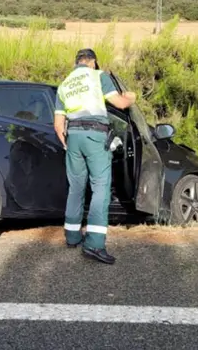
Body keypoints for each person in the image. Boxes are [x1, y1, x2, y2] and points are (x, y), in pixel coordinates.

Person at [53, 48, 137, 264]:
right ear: (93, 62)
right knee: (100, 187)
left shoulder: (65, 84)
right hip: (95, 136)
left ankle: (72, 237)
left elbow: (58, 124)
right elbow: (119, 104)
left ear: (77, 62)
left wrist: (67, 142)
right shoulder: (99, 76)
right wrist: (130, 97)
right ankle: (94, 244)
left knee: (76, 187)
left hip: (74, 138)